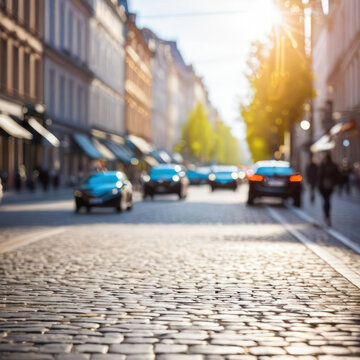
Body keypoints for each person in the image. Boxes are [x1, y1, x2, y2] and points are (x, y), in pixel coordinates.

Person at [318, 152, 339, 227]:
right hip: (329, 186)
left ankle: (326, 216)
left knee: (326, 201)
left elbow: (319, 176)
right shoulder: (333, 166)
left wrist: (319, 186)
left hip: (324, 187)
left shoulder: (323, 165)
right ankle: (327, 216)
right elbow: (337, 176)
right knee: (327, 201)